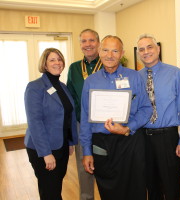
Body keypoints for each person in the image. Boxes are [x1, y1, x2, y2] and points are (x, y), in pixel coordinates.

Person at [80, 35, 152, 200]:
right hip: (102, 143)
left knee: (136, 188)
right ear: (99, 51)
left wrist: (128, 127)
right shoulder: (91, 81)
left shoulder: (134, 77)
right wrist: (87, 151)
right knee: (108, 191)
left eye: (115, 51)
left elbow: (146, 109)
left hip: (130, 141)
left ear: (122, 53)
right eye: (105, 50)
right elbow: (85, 118)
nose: (109, 55)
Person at [137, 34, 180, 200]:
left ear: (158, 49)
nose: (146, 52)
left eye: (150, 47)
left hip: (167, 138)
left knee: (171, 185)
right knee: (151, 185)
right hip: (142, 138)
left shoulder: (174, 73)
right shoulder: (135, 77)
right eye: (141, 49)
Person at [24, 48, 78, 200]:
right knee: (50, 191)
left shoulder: (63, 87)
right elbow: (35, 122)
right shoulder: (35, 87)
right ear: (45, 64)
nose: (57, 63)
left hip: (61, 145)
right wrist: (46, 153)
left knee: (55, 186)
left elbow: (68, 116)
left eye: (59, 59)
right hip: (43, 149)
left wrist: (70, 141)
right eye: (52, 60)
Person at [67, 28, 101, 200]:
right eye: (84, 41)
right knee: (84, 167)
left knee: (107, 166)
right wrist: (71, 133)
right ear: (80, 44)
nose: (88, 44)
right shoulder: (73, 68)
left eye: (91, 40)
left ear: (98, 42)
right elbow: (70, 100)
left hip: (106, 126)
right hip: (82, 125)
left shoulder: (108, 64)